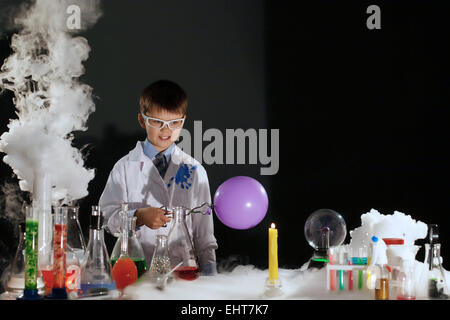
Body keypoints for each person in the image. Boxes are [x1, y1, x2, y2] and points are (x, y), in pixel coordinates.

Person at [99, 79, 218, 275]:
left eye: (174, 123)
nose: (166, 130)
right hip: (137, 272)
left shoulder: (195, 171)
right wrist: (137, 217)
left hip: (183, 273)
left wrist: (210, 278)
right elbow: (106, 218)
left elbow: (204, 236)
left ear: (183, 122)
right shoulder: (124, 168)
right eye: (157, 122)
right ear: (142, 120)